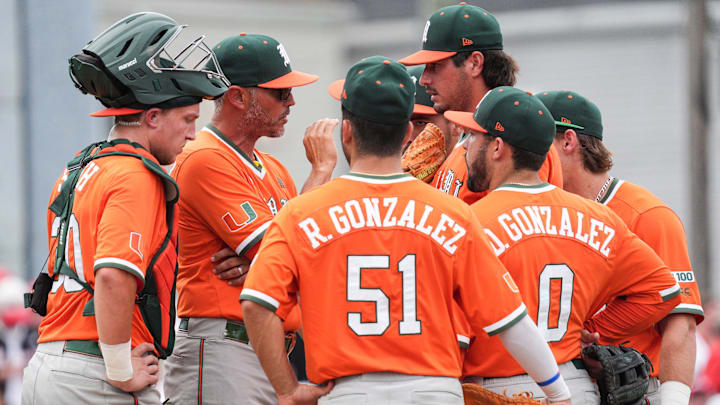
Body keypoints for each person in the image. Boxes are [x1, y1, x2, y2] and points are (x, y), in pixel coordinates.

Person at [240, 56, 573, 405]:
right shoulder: (453, 213)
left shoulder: (301, 212)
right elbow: (510, 320)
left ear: (347, 131)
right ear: (408, 133)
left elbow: (256, 303)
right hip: (433, 390)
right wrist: (558, 392)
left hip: (350, 392)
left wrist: (287, 388)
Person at [21, 12, 228, 405]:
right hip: (95, 373)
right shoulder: (136, 173)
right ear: (152, 117)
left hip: (52, 363)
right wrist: (120, 368)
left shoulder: (83, 164)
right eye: (186, 119)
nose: (192, 133)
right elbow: (114, 276)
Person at [444, 86, 682, 404]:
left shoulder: (468, 221)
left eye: (472, 137)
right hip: (573, 382)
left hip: (494, 385)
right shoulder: (598, 217)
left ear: (497, 147)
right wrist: (592, 332)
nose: (466, 149)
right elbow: (663, 291)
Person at [162, 33, 337, 405]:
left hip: (270, 350)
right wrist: (321, 171)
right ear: (239, 96)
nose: (291, 101)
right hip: (223, 346)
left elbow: (305, 255)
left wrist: (265, 263)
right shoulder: (203, 157)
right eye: (279, 92)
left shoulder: (274, 168)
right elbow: (286, 253)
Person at [537, 90, 704, 405]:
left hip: (634, 391)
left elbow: (680, 325)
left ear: (568, 142)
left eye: (538, 141)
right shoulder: (543, 213)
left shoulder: (647, 215)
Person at [399, 3, 563, 204]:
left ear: (475, 63)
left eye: (435, 66)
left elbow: (518, 226)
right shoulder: (467, 138)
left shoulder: (519, 132)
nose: (424, 79)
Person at [402, 65, 455, 153]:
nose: (408, 138)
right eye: (401, 124)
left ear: (456, 125)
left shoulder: (473, 165)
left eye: (420, 123)